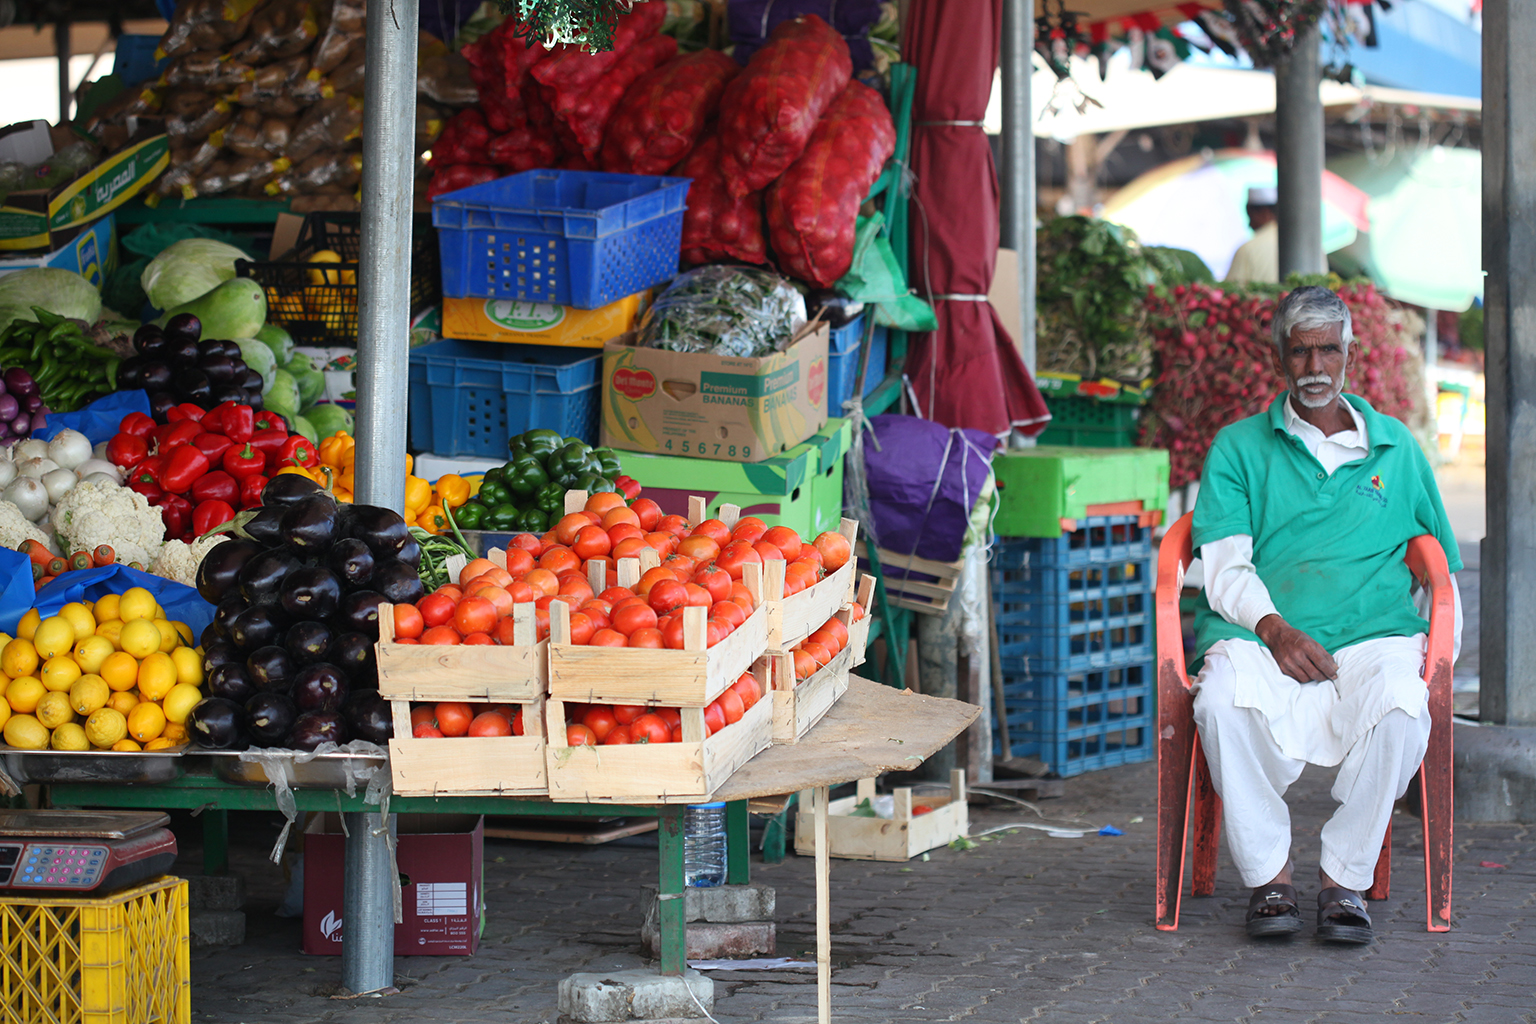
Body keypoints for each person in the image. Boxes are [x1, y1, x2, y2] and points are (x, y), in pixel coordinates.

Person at [1189, 285, 1463, 944]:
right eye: (1301, 351)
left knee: (1404, 703)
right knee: (1218, 702)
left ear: (1349, 354)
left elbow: (1438, 566)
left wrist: (1425, 642)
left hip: (1373, 639)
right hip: (1265, 633)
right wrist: (1274, 629)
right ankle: (1271, 877)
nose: (1315, 366)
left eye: (1328, 350)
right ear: (1279, 356)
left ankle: (1344, 879)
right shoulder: (1239, 448)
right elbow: (1224, 567)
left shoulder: (1396, 448)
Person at [1224, 186, 1279, 284]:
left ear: (1264, 212)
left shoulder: (1247, 249)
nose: (1249, 224)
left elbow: (1231, 292)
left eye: (1250, 216)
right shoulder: (1301, 243)